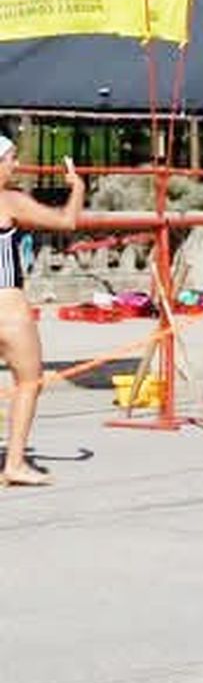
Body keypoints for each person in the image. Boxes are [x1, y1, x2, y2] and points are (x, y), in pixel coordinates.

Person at [0, 139, 85, 486]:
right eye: (9, 159)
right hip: (8, 308)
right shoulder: (10, 200)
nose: (15, 165)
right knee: (28, 382)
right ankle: (15, 463)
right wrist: (77, 187)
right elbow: (67, 222)